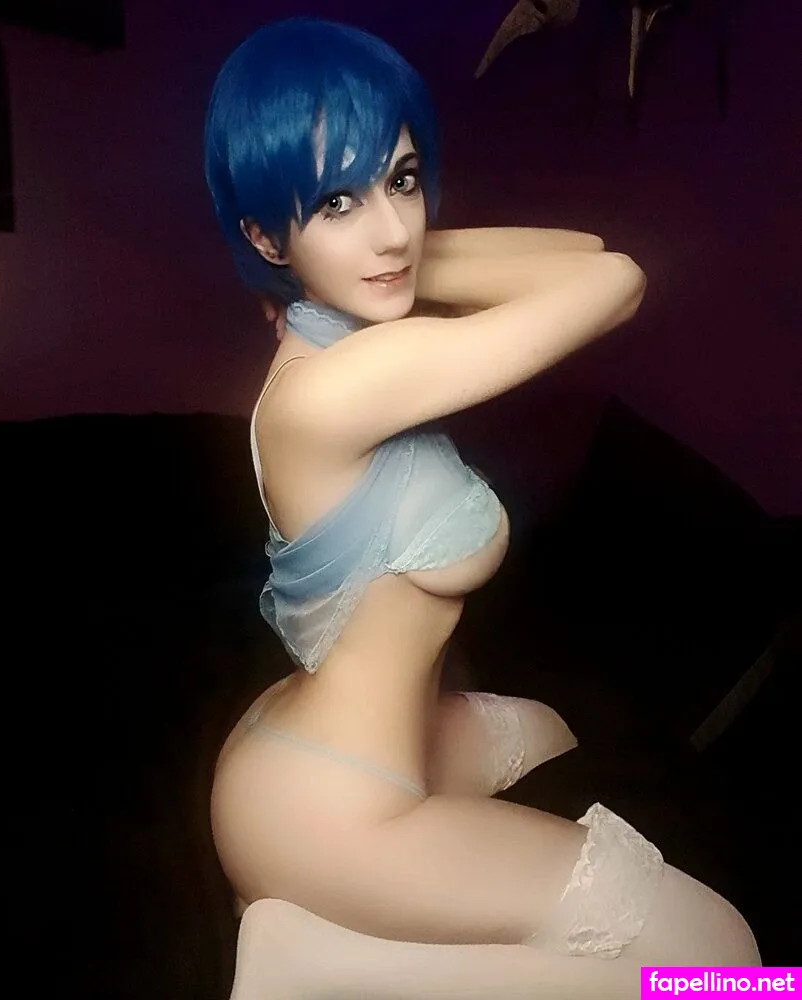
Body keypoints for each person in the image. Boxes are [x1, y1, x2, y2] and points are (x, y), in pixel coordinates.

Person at [203, 16, 760, 999]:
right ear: (261, 232)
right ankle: (310, 961)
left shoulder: (333, 327)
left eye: (403, 179)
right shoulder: (340, 385)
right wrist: (392, 260)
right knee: (729, 959)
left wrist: (359, 254)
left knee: (549, 729)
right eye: (337, 199)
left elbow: (581, 252)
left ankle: (321, 939)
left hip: (312, 744)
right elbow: (615, 279)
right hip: (336, 808)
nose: (392, 227)